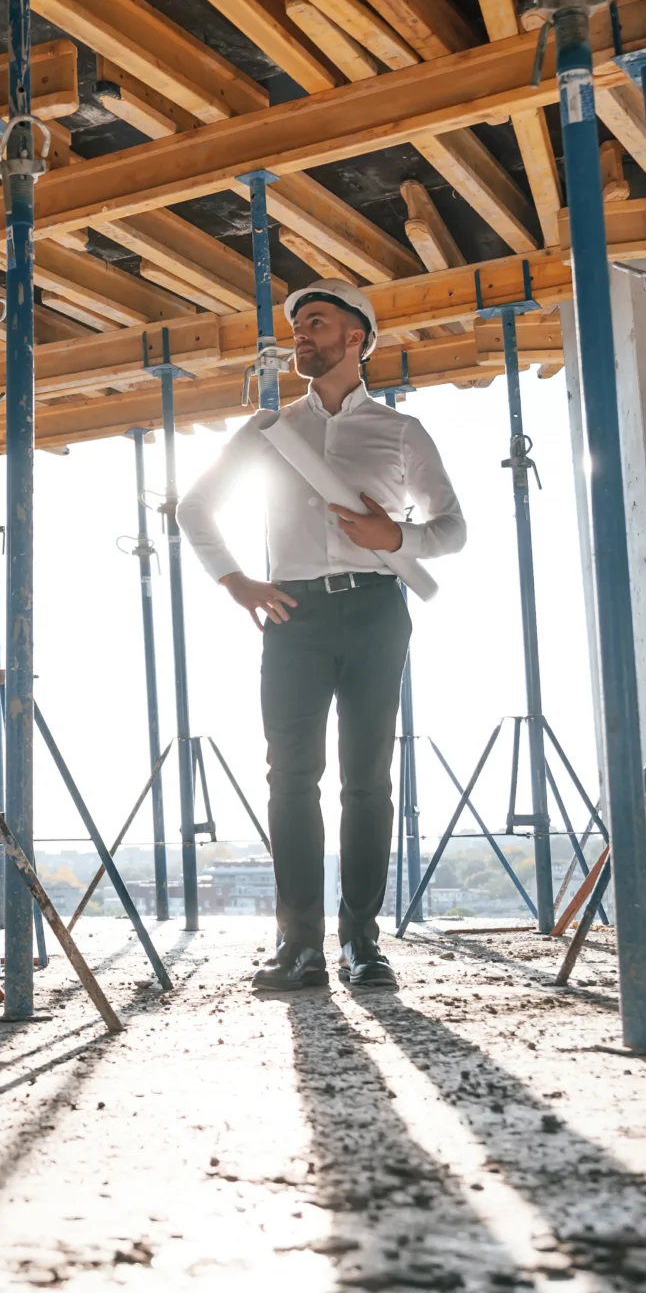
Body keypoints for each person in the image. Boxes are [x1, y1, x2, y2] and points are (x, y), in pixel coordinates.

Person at [176, 279, 465, 992]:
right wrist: (235, 579)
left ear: (356, 337)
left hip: (375, 612)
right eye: (298, 326)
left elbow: (452, 528)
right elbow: (194, 506)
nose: (301, 336)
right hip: (292, 616)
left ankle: (361, 944)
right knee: (291, 780)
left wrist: (393, 533)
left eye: (316, 323)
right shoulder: (270, 430)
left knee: (368, 782)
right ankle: (298, 945)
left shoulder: (400, 432)